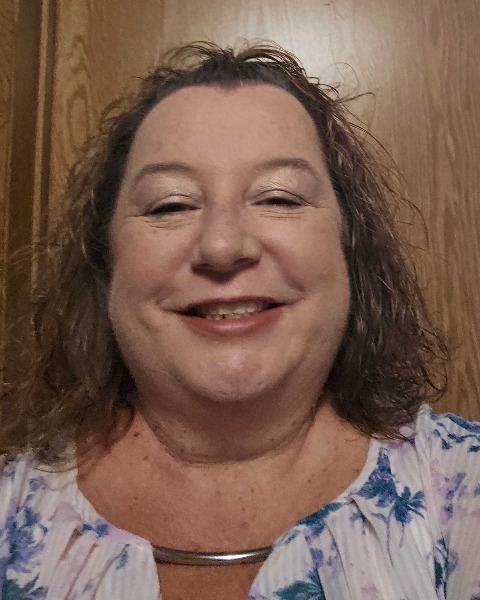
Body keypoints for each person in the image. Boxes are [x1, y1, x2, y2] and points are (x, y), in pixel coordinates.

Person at [0, 40, 478, 600]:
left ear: (349, 250)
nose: (223, 246)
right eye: (171, 205)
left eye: (279, 198)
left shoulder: (460, 487)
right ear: (107, 264)